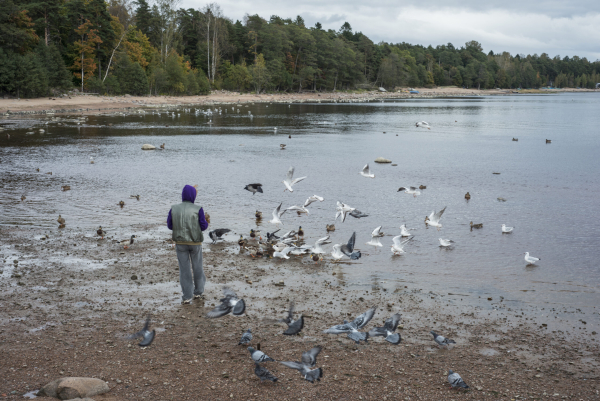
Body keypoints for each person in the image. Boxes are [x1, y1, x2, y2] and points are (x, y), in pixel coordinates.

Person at [167, 185, 208, 304]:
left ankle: (187, 296)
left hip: (180, 243)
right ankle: (198, 292)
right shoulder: (198, 208)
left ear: (182, 195)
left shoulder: (174, 208)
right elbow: (204, 226)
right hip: (195, 243)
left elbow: (170, 226)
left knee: (184, 270)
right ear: (193, 195)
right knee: (197, 267)